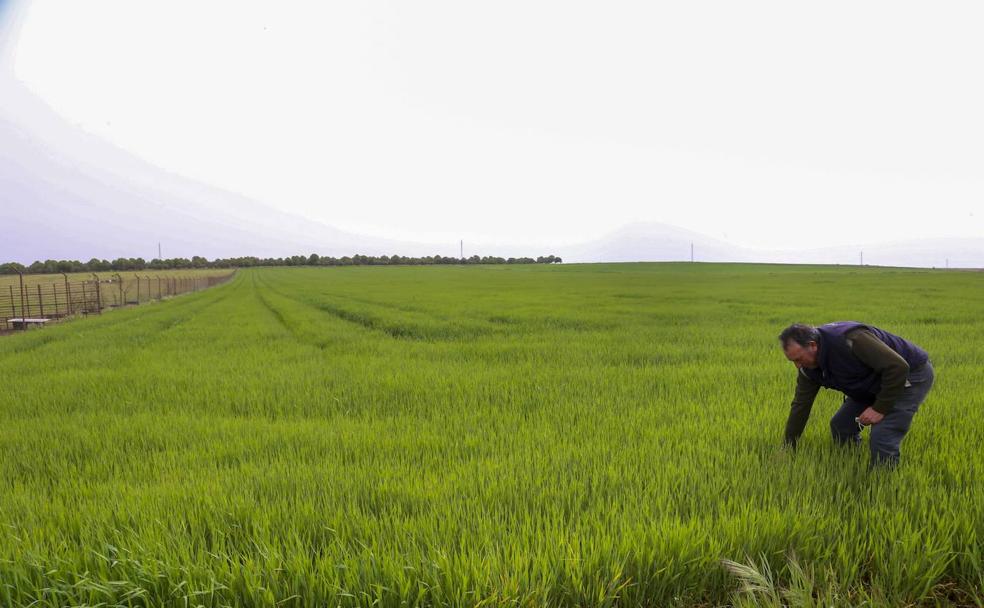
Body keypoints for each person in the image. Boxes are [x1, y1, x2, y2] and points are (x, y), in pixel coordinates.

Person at [779, 321, 934, 466]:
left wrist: (879, 408)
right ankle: (853, 464)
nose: (797, 366)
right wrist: (788, 446)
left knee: (882, 437)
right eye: (793, 361)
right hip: (870, 382)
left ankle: (883, 483)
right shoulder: (808, 369)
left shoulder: (851, 339)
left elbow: (897, 367)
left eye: (799, 359)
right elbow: (801, 405)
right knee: (842, 426)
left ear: (812, 345)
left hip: (908, 376)